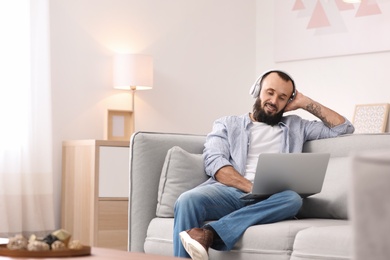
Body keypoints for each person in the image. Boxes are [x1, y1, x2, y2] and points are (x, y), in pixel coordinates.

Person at [173, 70, 355, 260]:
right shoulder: (227, 124)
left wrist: (305, 102)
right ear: (257, 91)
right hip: (231, 192)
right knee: (188, 199)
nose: (274, 101)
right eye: (270, 92)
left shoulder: (296, 125)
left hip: (273, 199)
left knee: (293, 199)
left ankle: (210, 234)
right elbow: (215, 164)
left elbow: (343, 128)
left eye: (282, 97)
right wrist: (252, 188)